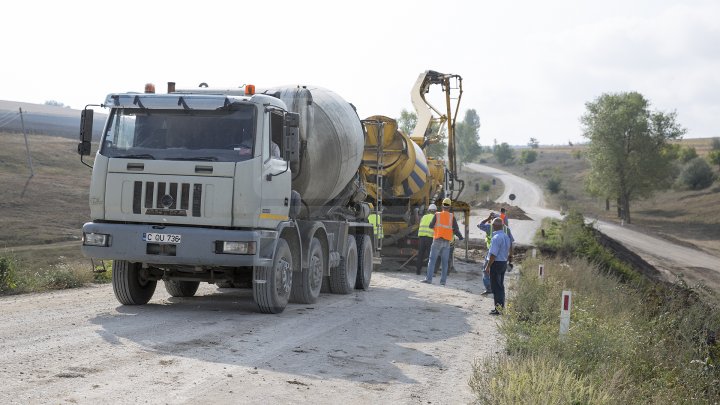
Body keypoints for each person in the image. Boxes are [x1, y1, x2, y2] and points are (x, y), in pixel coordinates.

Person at [421, 198, 464, 286]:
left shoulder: (437, 215)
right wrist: (460, 237)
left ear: (442, 206)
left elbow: (430, 226)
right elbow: (456, 230)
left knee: (432, 260)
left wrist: (437, 229)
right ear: (450, 207)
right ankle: (443, 282)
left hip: (437, 240)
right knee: (445, 263)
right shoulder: (452, 217)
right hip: (447, 242)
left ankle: (428, 279)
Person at [477, 212, 514, 295]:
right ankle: (498, 289)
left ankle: (489, 288)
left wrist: (488, 218)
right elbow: (511, 243)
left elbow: (479, 225)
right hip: (503, 255)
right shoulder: (507, 229)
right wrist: (510, 256)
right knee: (500, 274)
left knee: (486, 270)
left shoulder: (489, 227)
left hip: (492, 252)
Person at [484, 217, 512, 315]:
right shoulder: (506, 236)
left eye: (492, 224)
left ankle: (498, 310)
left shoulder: (496, 238)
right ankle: (500, 308)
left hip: (496, 263)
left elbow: (493, 254)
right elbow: (509, 249)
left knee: (496, 287)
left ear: (495, 226)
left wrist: (487, 267)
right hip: (503, 262)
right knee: (500, 286)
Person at [415, 204, 437, 275]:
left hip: (421, 238)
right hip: (430, 238)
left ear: (429, 210)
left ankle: (418, 271)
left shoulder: (424, 217)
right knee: (430, 255)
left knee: (420, 254)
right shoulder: (435, 217)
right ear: (435, 211)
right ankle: (429, 272)